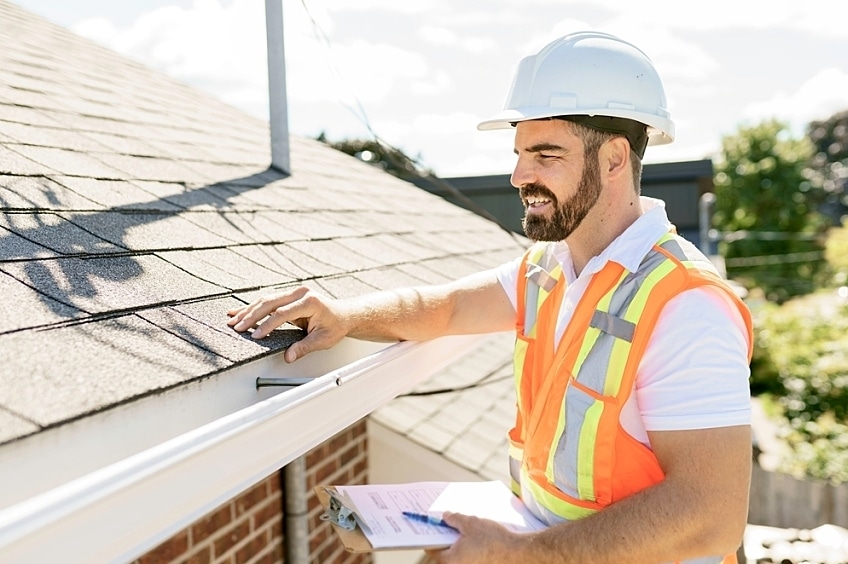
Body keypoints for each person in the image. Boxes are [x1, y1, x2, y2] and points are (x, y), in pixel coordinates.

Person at [228, 31, 753, 564]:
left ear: (615, 159)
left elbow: (710, 515)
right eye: (521, 153)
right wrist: (342, 315)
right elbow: (448, 308)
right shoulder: (551, 268)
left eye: (546, 155)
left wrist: (520, 553)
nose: (519, 175)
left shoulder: (686, 304)